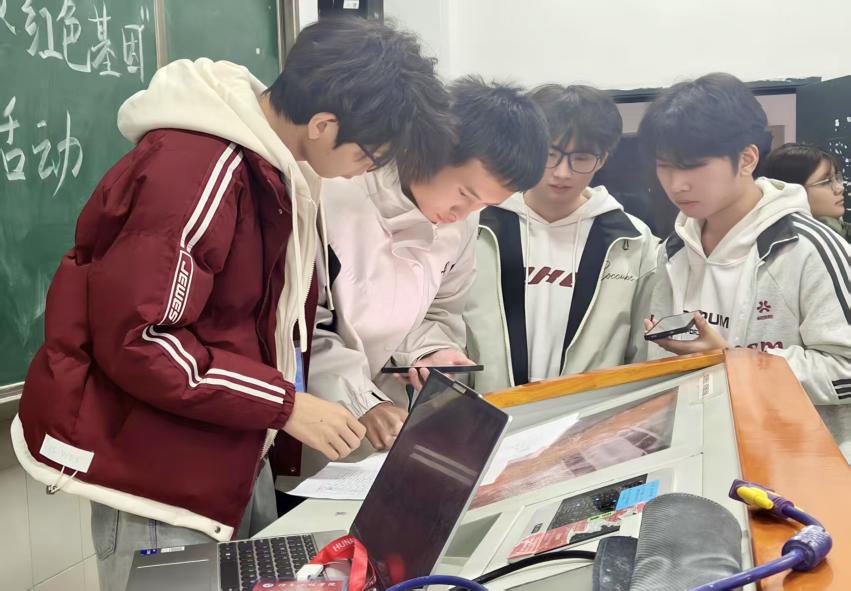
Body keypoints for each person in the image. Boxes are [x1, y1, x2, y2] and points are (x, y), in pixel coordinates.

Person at [10, 17, 456, 591]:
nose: (370, 169)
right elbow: (143, 338)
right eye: (372, 154)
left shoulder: (271, 169)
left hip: (226, 455)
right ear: (323, 125)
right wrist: (285, 405)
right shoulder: (196, 171)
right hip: (157, 474)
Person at [302, 76, 549, 457]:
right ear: (430, 150)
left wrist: (431, 352)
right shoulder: (334, 188)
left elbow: (440, 312)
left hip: (388, 419)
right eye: (464, 193)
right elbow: (301, 329)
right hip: (309, 416)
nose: (463, 213)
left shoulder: (462, 222)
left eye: (484, 204)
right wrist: (361, 400)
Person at [638, 72, 851, 461]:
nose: (676, 184)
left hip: (795, 465)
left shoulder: (807, 248)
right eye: (664, 166)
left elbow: (846, 370)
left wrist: (735, 362)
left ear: (747, 159)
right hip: (699, 458)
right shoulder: (673, 250)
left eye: (693, 166)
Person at [464, 84, 658, 393]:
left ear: (603, 159)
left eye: (581, 158)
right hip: (489, 410)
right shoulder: (479, 225)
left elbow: (643, 350)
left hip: (590, 417)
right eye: (550, 154)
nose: (563, 173)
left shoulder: (633, 240)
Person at [764, 143, 849, 241]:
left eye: (836, 178)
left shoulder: (840, 233)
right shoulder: (798, 247)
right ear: (793, 191)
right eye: (827, 182)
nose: (840, 188)